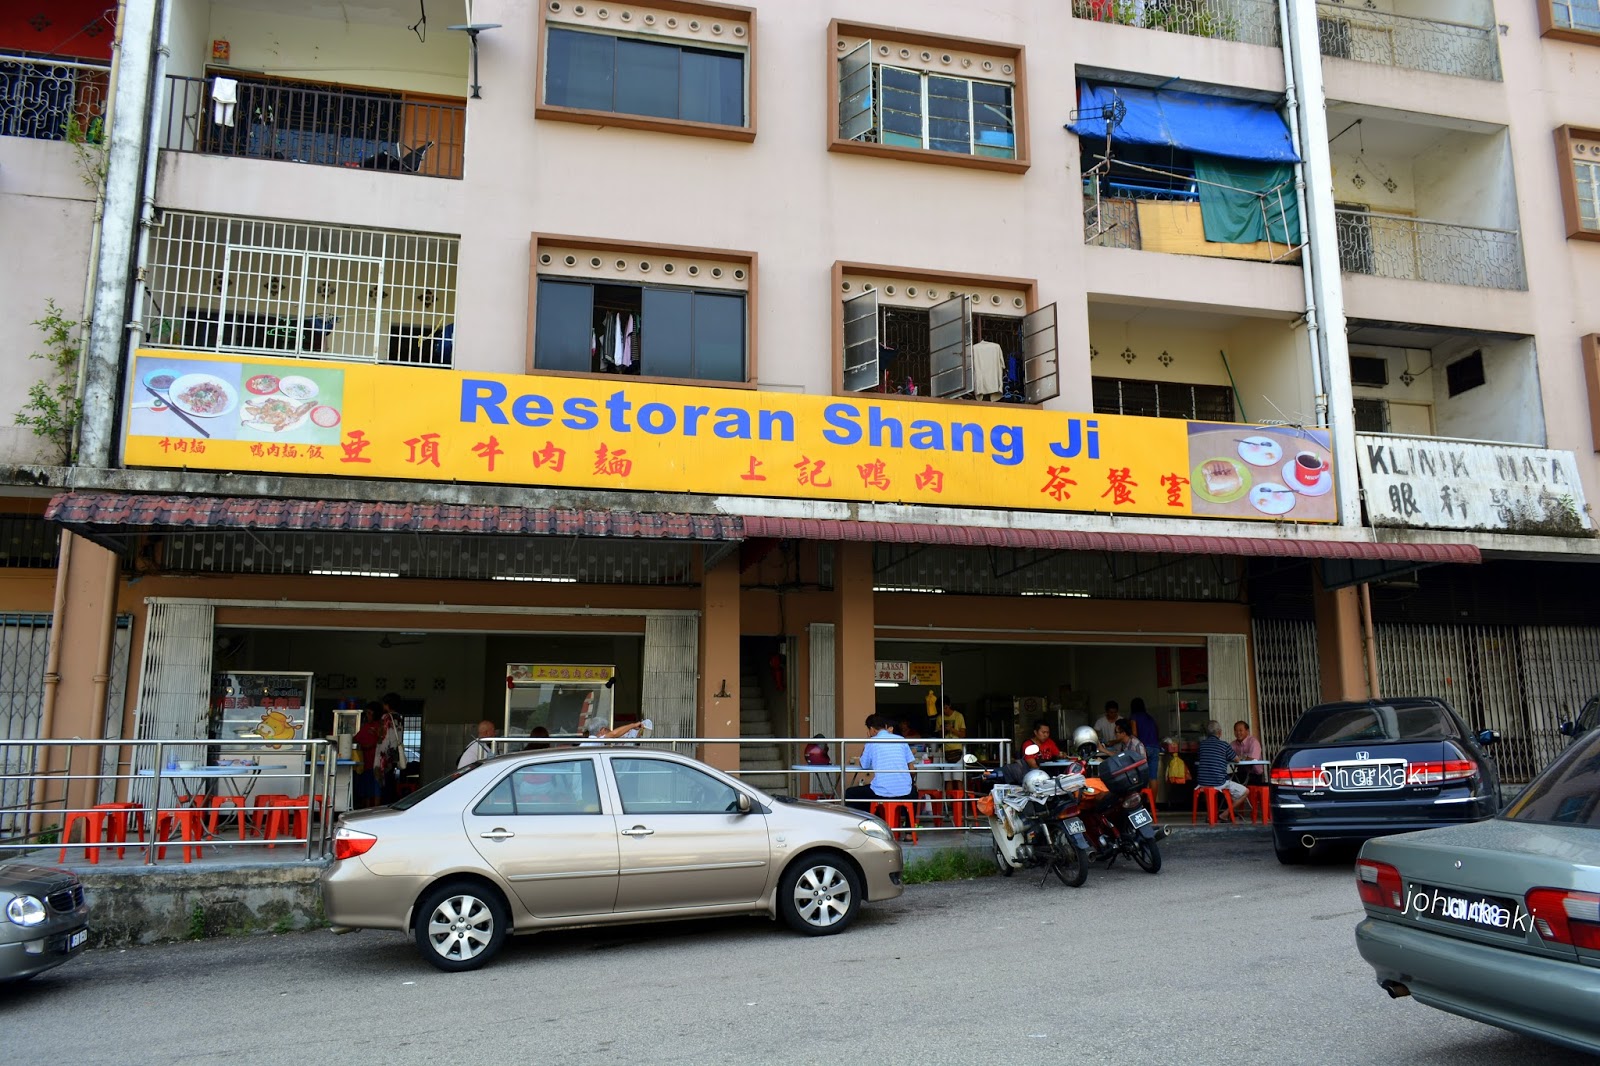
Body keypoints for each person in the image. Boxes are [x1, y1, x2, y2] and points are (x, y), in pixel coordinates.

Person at [845, 714, 915, 813]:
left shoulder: (872, 742)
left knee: (850, 793)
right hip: (905, 790)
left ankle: (868, 821)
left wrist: (868, 741)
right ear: (886, 727)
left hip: (883, 791)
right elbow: (912, 769)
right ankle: (907, 826)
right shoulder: (901, 740)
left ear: (872, 729)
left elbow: (864, 765)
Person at [1196, 720, 1250, 816]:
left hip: (1202, 783)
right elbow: (1237, 760)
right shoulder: (1224, 745)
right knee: (1245, 791)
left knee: (1228, 788)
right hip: (1218, 782)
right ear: (1220, 732)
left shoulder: (1202, 745)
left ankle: (1213, 815)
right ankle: (1224, 814)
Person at [352, 704, 385, 809]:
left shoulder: (380, 726)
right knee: (365, 788)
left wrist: (370, 744)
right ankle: (365, 809)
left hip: (376, 762)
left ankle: (376, 808)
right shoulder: (365, 726)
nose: (367, 715)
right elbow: (356, 739)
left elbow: (382, 741)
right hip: (365, 762)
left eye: (370, 713)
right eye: (367, 713)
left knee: (376, 787)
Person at [1129, 697, 1162, 781]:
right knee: (1153, 777)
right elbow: (1157, 731)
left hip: (1143, 748)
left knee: (1141, 776)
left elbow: (1134, 734)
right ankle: (1152, 795)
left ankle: (1143, 794)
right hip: (1155, 747)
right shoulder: (1150, 717)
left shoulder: (1134, 717)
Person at [1231, 720, 1265, 785]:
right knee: (1227, 780)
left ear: (1247, 731)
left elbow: (1253, 759)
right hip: (1241, 773)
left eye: (1240, 730)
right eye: (1236, 731)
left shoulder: (1253, 742)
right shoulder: (1233, 744)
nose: (1238, 733)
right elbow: (1227, 755)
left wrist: (1240, 758)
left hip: (1254, 775)